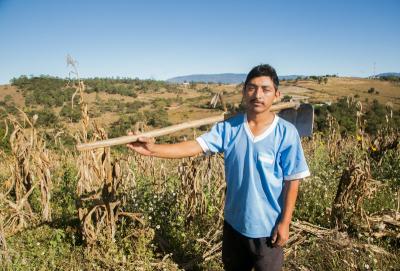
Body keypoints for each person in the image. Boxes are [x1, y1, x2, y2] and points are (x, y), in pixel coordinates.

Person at [127, 64, 310, 271]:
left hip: (268, 228)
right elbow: (195, 146)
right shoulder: (229, 129)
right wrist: (153, 149)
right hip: (234, 225)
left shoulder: (286, 133)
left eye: (265, 89)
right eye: (252, 88)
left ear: (276, 95)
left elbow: (292, 180)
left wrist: (285, 223)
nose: (258, 94)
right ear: (244, 92)